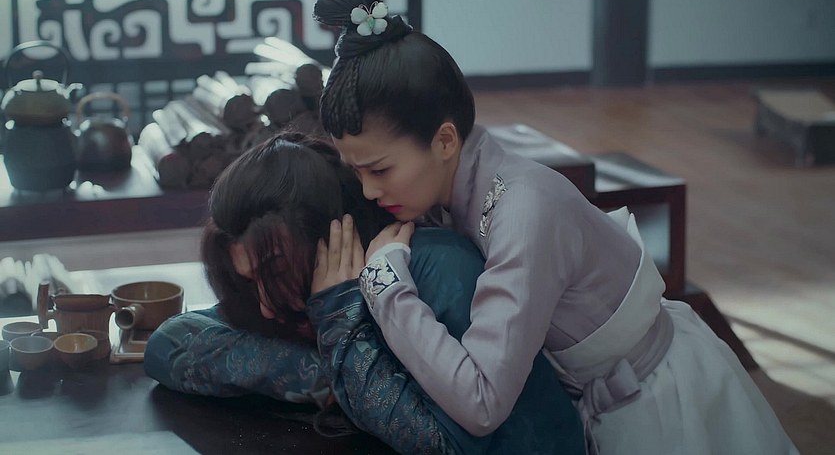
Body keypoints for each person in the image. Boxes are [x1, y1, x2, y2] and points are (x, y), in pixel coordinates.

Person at [311, 0, 799, 454]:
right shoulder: (454, 189)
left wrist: (385, 286)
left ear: (444, 141)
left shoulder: (524, 212)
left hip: (661, 405)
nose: (369, 190)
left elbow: (482, 401)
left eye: (379, 170)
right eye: (357, 172)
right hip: (597, 406)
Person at [144, 133, 585, 454]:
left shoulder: (437, 267)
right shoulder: (298, 296)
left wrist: (341, 324)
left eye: (274, 270)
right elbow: (169, 344)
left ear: (331, 235)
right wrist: (334, 374)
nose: (263, 304)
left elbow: (440, 445)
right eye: (248, 280)